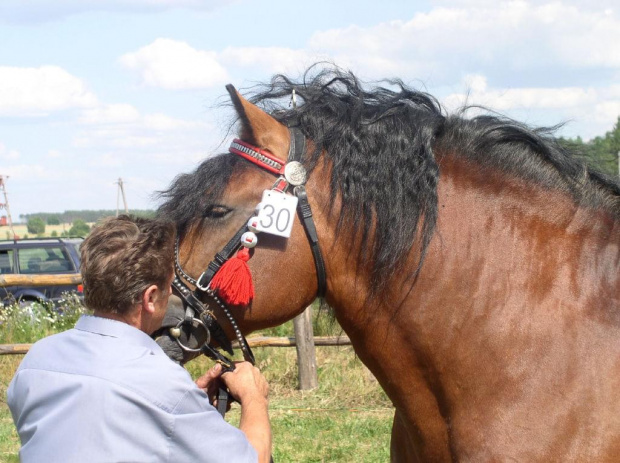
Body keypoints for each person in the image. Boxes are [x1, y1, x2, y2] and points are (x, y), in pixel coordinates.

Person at [7, 216, 271, 463]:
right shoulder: (164, 385)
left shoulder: (36, 361)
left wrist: (188, 404)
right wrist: (253, 396)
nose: (171, 293)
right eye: (170, 287)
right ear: (150, 298)